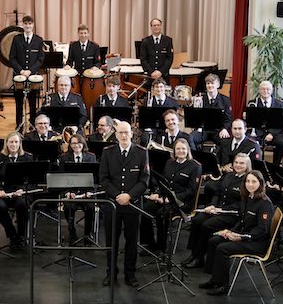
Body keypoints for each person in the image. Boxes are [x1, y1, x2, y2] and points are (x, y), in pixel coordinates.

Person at [198, 170, 274, 296]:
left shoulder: (265, 203)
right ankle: (215, 279)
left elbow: (262, 230)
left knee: (222, 248)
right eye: (248, 181)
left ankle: (223, 285)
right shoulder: (247, 197)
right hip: (245, 236)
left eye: (254, 182)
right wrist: (230, 231)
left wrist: (240, 237)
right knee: (213, 241)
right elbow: (242, 221)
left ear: (260, 183)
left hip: (257, 242)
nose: (250, 184)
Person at [99, 121, 149, 287]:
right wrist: (117, 195)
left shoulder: (142, 153)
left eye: (126, 132)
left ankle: (130, 275)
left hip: (132, 205)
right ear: (116, 134)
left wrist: (129, 196)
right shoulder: (108, 152)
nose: (123, 135)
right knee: (110, 241)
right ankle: (110, 273)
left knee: (131, 242)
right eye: (120, 133)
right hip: (112, 205)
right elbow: (104, 179)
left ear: (132, 133)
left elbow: (144, 180)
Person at [183, 153, 252, 269]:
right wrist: (212, 205)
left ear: (247, 165)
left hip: (232, 214)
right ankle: (194, 253)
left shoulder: (248, 181)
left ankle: (199, 257)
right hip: (217, 209)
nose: (238, 165)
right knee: (197, 220)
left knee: (206, 225)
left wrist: (220, 209)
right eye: (236, 162)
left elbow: (241, 204)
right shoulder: (229, 176)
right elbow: (218, 192)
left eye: (242, 163)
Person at [141, 138, 200, 251]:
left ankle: (161, 246)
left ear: (188, 150)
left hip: (182, 202)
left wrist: (171, 199)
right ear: (174, 150)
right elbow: (163, 182)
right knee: (145, 210)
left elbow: (191, 191)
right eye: (178, 149)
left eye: (183, 149)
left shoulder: (195, 166)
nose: (180, 151)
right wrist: (157, 194)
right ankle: (150, 243)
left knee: (161, 214)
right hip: (165, 197)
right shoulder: (169, 162)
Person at [0, 132, 34, 249]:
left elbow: (32, 180)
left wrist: (22, 189)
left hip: (21, 194)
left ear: (20, 144)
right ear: (6, 143)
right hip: (3, 193)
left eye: (16, 142)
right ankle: (12, 234)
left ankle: (22, 235)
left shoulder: (28, 158)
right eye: (11, 142)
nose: (14, 144)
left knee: (22, 205)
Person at [58, 134, 98, 243]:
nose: (76, 146)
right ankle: (72, 232)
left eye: (79, 143)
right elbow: (61, 178)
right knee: (68, 207)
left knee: (90, 208)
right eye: (73, 143)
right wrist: (67, 192)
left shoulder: (91, 157)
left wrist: (90, 192)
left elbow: (94, 177)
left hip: (86, 193)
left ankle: (88, 235)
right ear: (70, 145)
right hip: (71, 193)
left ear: (83, 143)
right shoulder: (63, 158)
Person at [9, 15, 45, 126]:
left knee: (33, 102)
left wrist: (30, 71)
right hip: (19, 76)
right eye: (25, 24)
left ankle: (33, 125)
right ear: (22, 25)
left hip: (33, 77)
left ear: (33, 25)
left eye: (30, 24)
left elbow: (40, 59)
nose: (28, 26)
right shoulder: (16, 39)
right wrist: (21, 71)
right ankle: (19, 124)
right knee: (19, 102)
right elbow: (12, 57)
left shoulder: (38, 40)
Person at [190, 73, 233, 146]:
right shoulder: (200, 99)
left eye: (212, 83)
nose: (210, 85)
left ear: (218, 85)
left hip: (218, 131)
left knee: (226, 142)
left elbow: (228, 119)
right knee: (190, 138)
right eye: (208, 83)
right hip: (203, 130)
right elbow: (194, 119)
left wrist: (225, 129)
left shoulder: (225, 100)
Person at [246, 81, 283, 151]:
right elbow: (250, 122)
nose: (265, 91)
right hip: (258, 132)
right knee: (248, 140)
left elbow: (281, 124)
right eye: (263, 89)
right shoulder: (253, 103)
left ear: (272, 90)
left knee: (280, 142)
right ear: (259, 90)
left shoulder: (279, 104)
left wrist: (271, 134)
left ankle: (276, 162)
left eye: (268, 89)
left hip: (274, 133)